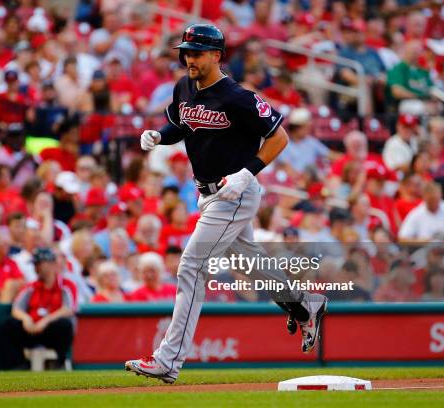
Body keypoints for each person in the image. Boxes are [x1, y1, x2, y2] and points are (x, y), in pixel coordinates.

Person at [125, 24, 327, 384]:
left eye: (197, 52)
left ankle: (168, 361)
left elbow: (278, 137)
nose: (189, 57)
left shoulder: (237, 97)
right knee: (250, 265)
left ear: (217, 55)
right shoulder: (184, 86)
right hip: (207, 194)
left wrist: (248, 173)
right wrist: (160, 135)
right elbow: (181, 124)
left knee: (191, 266)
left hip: (234, 193)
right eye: (186, 51)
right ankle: (303, 305)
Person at [0, 247, 76, 369]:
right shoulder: (31, 287)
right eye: (35, 264)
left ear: (52, 264)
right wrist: (26, 319)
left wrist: (45, 321)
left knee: (65, 325)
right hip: (31, 329)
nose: (37, 267)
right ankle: (19, 364)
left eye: (40, 263)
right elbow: (16, 309)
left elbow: (68, 309)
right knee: (8, 325)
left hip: (51, 331)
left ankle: (58, 362)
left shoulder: (66, 285)